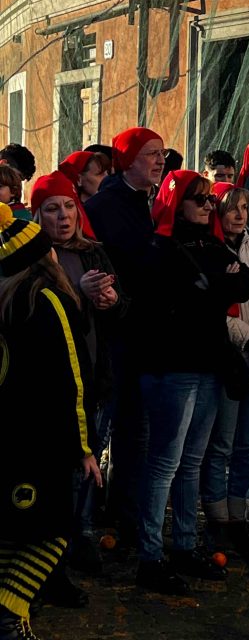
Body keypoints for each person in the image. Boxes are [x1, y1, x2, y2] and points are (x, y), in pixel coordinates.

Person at [134, 171, 249, 595]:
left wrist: (215, 284)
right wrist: (218, 282)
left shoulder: (211, 244)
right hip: (174, 366)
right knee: (165, 462)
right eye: (199, 198)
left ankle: (184, 545)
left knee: (192, 461)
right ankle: (150, 555)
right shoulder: (161, 248)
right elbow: (195, 294)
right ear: (176, 202)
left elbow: (245, 284)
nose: (208, 205)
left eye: (208, 199)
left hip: (207, 365)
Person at [0, 202, 101, 640]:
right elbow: (73, 379)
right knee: (52, 533)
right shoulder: (48, 301)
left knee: (12, 532)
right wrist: (83, 446)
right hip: (39, 442)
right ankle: (10, 612)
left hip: (9, 439)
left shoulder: (7, 301)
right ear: (45, 258)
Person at [30, 172, 124, 579]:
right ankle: (51, 552)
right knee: (58, 469)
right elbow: (34, 317)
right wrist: (76, 292)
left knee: (88, 467)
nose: (63, 216)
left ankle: (80, 535)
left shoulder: (94, 253)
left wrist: (112, 300)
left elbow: (123, 315)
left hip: (95, 378)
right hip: (52, 385)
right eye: (52, 209)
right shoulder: (29, 257)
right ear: (36, 215)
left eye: (69, 206)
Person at [85, 127, 165, 541]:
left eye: (162, 153)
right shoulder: (109, 204)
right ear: (128, 159)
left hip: (141, 336)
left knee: (136, 431)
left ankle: (124, 513)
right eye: (151, 153)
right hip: (113, 334)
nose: (159, 160)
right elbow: (130, 261)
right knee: (102, 429)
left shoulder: (145, 201)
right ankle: (82, 522)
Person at [200, 183, 249, 564]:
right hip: (228, 360)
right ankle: (216, 519)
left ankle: (238, 515)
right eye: (232, 208)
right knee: (221, 444)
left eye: (244, 207)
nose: (240, 215)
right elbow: (218, 311)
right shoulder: (209, 252)